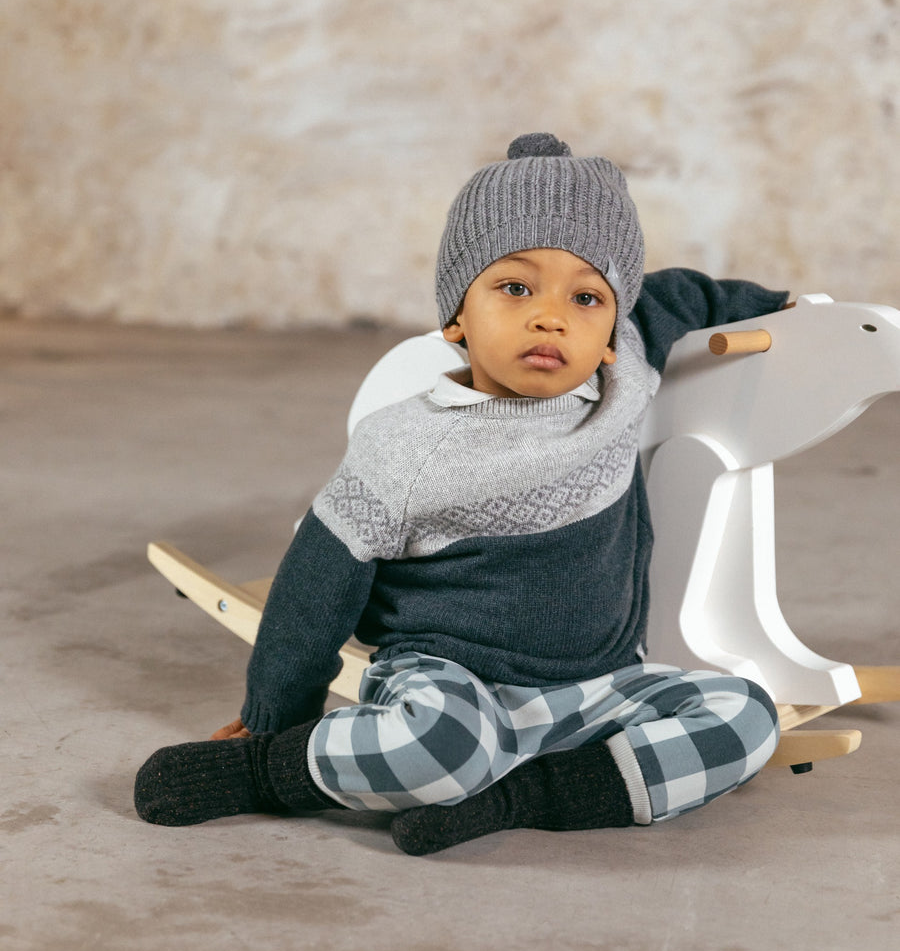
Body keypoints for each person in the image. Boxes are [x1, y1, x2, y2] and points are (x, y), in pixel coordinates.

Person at [135, 132, 784, 855]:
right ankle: (268, 774)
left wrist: (786, 306)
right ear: (457, 316)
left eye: (587, 297)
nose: (552, 316)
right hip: (453, 685)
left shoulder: (624, 366)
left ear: (611, 330)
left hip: (596, 688)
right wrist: (274, 716)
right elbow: (313, 592)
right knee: (437, 747)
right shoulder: (406, 445)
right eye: (514, 287)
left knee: (746, 715)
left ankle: (519, 799)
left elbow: (683, 294)